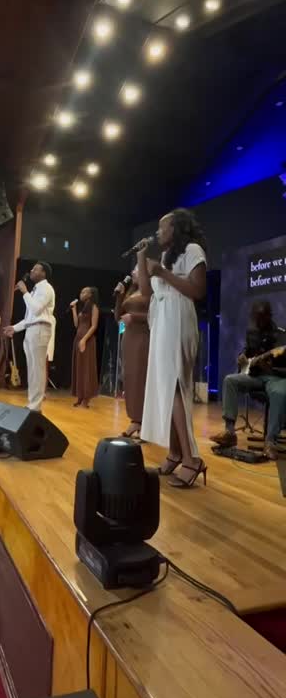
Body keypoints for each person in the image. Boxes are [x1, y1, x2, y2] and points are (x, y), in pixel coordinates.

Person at [138, 208, 208, 489]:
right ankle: (175, 453)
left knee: (176, 385)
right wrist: (142, 258)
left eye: (162, 227)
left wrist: (163, 272)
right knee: (165, 387)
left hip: (179, 316)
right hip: (161, 319)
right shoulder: (166, 255)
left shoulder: (192, 250)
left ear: (176, 228)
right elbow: (146, 292)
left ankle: (192, 458)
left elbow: (197, 290)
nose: (157, 232)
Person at [210, 300, 286, 460]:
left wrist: (271, 367)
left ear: (269, 316)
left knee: (279, 393)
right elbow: (247, 353)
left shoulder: (281, 336)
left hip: (276, 378)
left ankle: (270, 441)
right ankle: (230, 432)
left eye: (261, 317)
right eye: (255, 317)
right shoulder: (252, 333)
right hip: (256, 376)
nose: (258, 321)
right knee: (230, 380)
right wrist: (242, 357)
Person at [4, 262, 55, 413]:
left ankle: (36, 406)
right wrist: (14, 328)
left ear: (43, 273)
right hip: (32, 329)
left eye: (35, 269)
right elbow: (29, 318)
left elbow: (36, 310)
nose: (31, 270)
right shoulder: (35, 291)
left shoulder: (46, 288)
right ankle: (32, 403)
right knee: (32, 369)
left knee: (37, 369)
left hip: (40, 329)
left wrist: (24, 292)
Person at [114, 264, 150, 437]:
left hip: (143, 338)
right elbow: (118, 317)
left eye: (136, 269)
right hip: (128, 337)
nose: (132, 272)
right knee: (129, 378)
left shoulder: (151, 292)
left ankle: (142, 422)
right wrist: (119, 296)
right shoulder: (131, 291)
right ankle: (135, 419)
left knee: (139, 378)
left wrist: (134, 317)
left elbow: (155, 315)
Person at [70, 287, 99, 408]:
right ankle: (80, 396)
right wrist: (74, 310)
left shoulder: (94, 307)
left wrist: (84, 339)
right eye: (81, 292)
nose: (81, 294)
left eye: (84, 292)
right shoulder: (83, 308)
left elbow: (94, 326)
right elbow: (76, 324)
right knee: (79, 367)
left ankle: (87, 398)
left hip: (87, 340)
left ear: (90, 294)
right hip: (78, 338)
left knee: (87, 368)